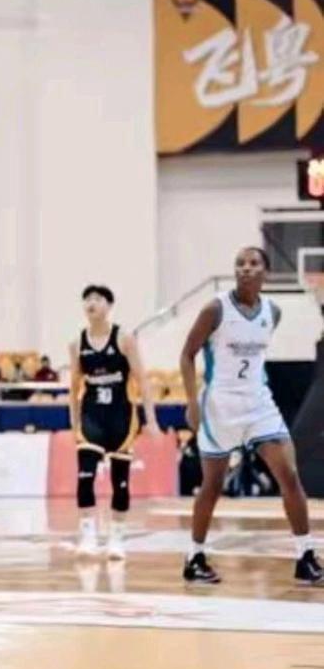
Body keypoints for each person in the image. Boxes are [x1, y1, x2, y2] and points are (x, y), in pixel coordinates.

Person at [180, 247, 322, 586]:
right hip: (221, 405)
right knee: (212, 485)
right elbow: (187, 354)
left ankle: (305, 556)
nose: (245, 268)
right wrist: (192, 403)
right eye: (240, 263)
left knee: (289, 475)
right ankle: (194, 557)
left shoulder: (273, 312)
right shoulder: (215, 309)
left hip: (259, 404)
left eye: (253, 263)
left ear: (265, 273)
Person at [68, 285, 161, 560]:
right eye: (87, 299)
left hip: (121, 416)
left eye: (97, 299)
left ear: (108, 306)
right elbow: (73, 388)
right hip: (91, 416)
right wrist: (74, 422)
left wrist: (151, 420)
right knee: (85, 478)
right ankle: (88, 536)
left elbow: (143, 380)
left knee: (120, 482)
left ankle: (117, 538)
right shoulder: (77, 343)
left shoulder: (124, 338)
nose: (91, 303)